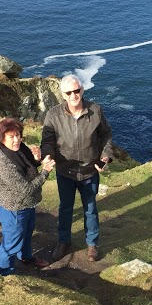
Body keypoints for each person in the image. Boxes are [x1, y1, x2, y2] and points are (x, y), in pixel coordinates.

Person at [39, 75, 118, 262]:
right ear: (63, 95)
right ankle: (63, 241)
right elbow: (47, 140)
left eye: (77, 90)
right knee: (65, 208)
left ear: (82, 90)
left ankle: (92, 244)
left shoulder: (95, 111)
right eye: (69, 92)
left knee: (90, 208)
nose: (74, 95)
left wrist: (105, 156)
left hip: (90, 171)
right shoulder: (53, 115)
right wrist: (47, 155)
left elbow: (106, 134)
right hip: (65, 171)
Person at [0, 117, 53, 275]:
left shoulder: (17, 149)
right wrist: (45, 171)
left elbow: (29, 165)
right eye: (11, 137)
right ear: (2, 138)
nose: (16, 140)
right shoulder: (2, 162)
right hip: (15, 208)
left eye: (18, 135)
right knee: (11, 243)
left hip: (27, 205)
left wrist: (38, 159)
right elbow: (26, 189)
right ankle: (3, 275)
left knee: (27, 232)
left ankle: (26, 257)